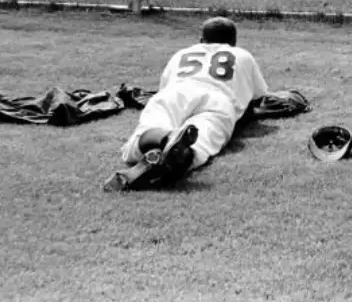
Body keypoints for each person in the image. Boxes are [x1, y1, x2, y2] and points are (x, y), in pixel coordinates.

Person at [106, 16, 269, 191]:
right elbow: (259, 97)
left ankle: (160, 139)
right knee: (201, 140)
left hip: (175, 93)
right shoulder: (242, 55)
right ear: (233, 42)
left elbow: (164, 86)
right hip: (217, 100)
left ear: (200, 40)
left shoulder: (181, 53)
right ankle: (178, 153)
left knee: (150, 129)